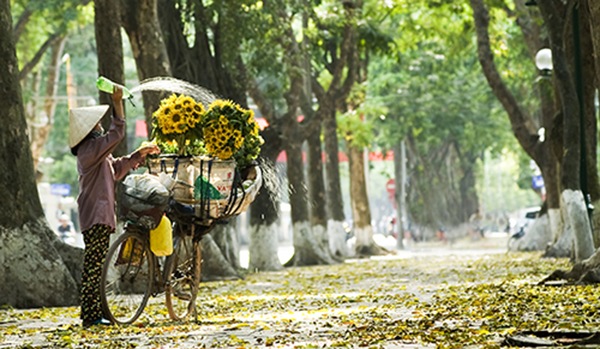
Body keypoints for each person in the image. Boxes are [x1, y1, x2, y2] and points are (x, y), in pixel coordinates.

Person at [69, 86, 160, 327]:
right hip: (96, 214)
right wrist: (117, 104)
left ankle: (93, 313)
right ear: (91, 130)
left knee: (96, 264)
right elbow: (116, 134)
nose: (100, 126)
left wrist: (138, 154)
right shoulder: (88, 151)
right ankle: (91, 316)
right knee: (94, 265)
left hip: (100, 214)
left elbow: (117, 169)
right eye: (97, 124)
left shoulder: (97, 154)